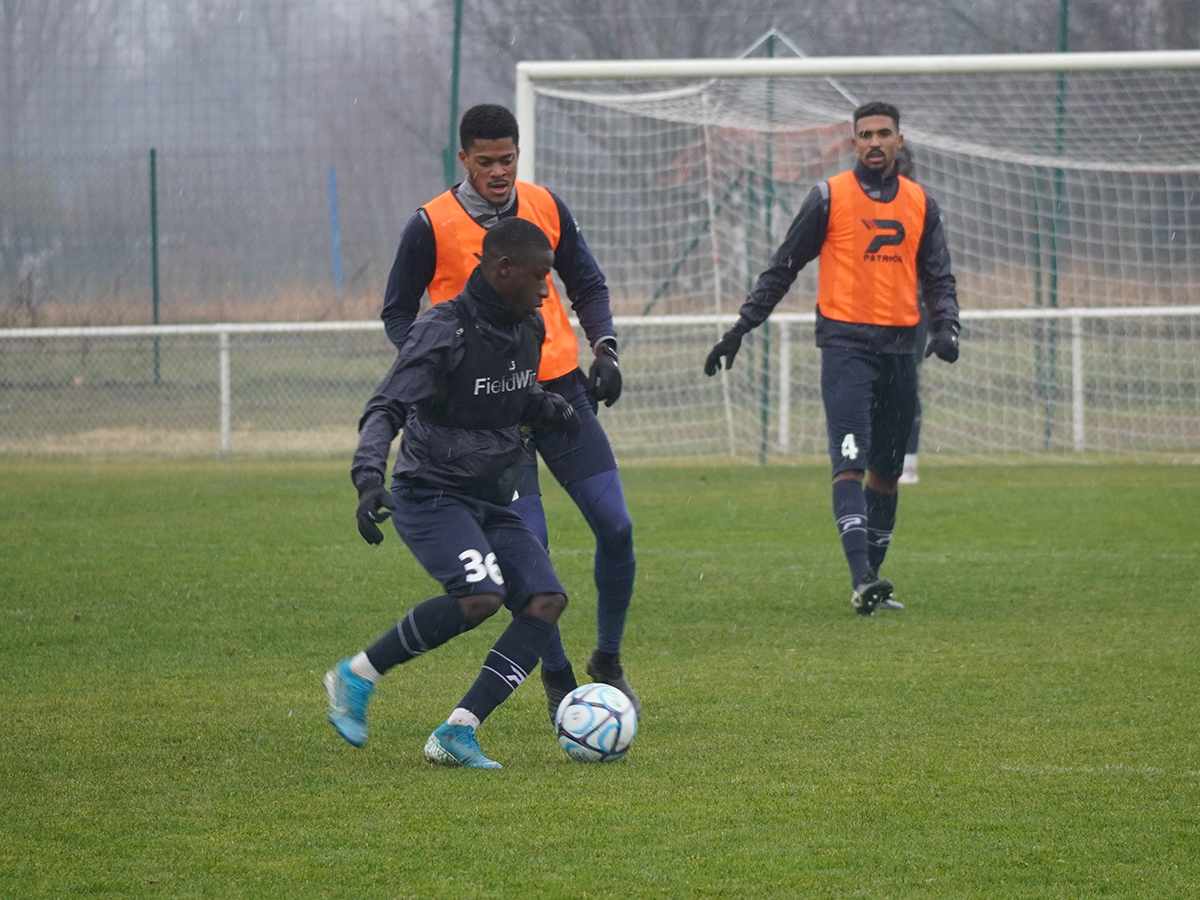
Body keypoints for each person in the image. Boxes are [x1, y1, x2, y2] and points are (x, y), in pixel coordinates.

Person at [380, 103, 639, 717]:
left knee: (618, 527)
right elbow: (398, 311)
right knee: (534, 556)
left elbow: (589, 284)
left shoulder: (546, 207)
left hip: (562, 394)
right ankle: (559, 679)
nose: (499, 171)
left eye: (508, 158)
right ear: (464, 158)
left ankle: (607, 659)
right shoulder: (431, 224)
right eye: (486, 160)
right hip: (488, 418)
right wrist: (437, 371)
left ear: (519, 154)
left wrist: (604, 346)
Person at [324, 218, 583, 769]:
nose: (545, 291)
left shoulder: (528, 329)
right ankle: (356, 676)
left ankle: (457, 731)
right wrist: (369, 477)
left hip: (494, 495)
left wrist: (550, 409)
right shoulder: (444, 329)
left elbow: (512, 394)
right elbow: (386, 407)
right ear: (502, 269)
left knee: (545, 601)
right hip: (431, 492)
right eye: (539, 277)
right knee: (479, 595)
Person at [704, 101, 960, 615]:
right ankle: (862, 576)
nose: (873, 142)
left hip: (900, 352)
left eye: (883, 133)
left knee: (886, 471)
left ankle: (872, 581)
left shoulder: (921, 204)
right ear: (852, 143)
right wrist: (740, 328)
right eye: (864, 134)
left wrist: (948, 326)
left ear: (899, 141)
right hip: (845, 348)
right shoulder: (828, 197)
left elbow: (938, 277)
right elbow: (783, 268)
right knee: (849, 462)